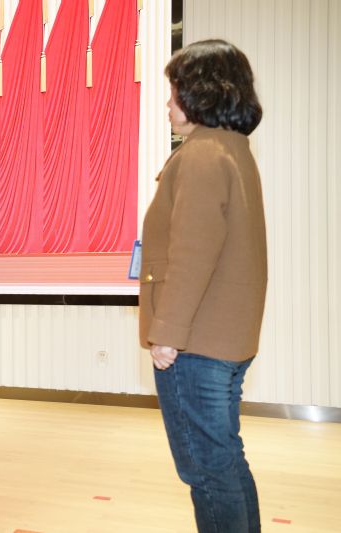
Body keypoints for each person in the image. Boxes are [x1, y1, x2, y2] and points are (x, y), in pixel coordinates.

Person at [139, 39, 266, 533]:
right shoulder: (232, 149)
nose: (167, 103)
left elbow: (192, 254)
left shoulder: (201, 155)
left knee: (206, 471)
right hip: (225, 338)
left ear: (200, 93)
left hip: (196, 343)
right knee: (225, 458)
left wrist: (167, 333)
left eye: (174, 92)